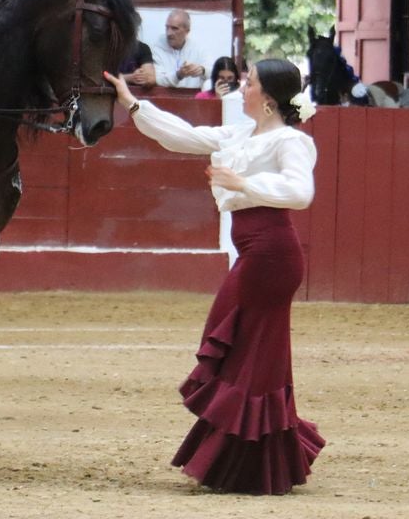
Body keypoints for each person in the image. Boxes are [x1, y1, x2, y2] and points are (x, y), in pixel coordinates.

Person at [103, 59, 325, 495]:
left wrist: (242, 184)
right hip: (256, 255)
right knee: (251, 356)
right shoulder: (242, 134)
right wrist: (133, 105)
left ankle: (247, 462)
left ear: (268, 99)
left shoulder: (290, 141)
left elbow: (301, 193)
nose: (243, 88)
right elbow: (184, 137)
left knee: (251, 356)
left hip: (272, 258)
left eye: (251, 83)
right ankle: (255, 460)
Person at [151, 8, 206, 88]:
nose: (169, 33)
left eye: (174, 28)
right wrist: (178, 75)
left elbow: (212, 71)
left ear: (187, 31)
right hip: (165, 97)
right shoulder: (157, 48)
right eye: (167, 27)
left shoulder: (198, 48)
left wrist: (201, 70)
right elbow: (158, 79)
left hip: (192, 97)